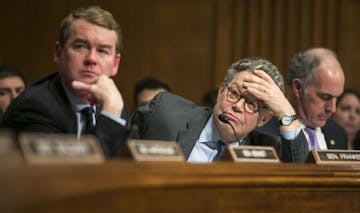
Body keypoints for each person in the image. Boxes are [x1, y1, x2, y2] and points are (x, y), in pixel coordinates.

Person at [1, 6, 128, 158]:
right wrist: (112, 116)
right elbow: (80, 178)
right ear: (58, 53)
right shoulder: (34, 107)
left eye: (102, 51)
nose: (91, 59)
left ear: (115, 64)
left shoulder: (112, 103)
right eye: (80, 46)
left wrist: (113, 112)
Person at [130, 58, 308, 163]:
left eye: (251, 104)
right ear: (222, 91)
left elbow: (299, 182)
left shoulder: (267, 150)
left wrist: (285, 110)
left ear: (264, 119)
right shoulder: (166, 112)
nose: (238, 105)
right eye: (234, 93)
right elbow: (116, 152)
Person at [258, 47, 347, 151]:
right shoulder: (264, 132)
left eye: (337, 98)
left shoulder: (338, 133)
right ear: (298, 88)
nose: (332, 109)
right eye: (325, 97)